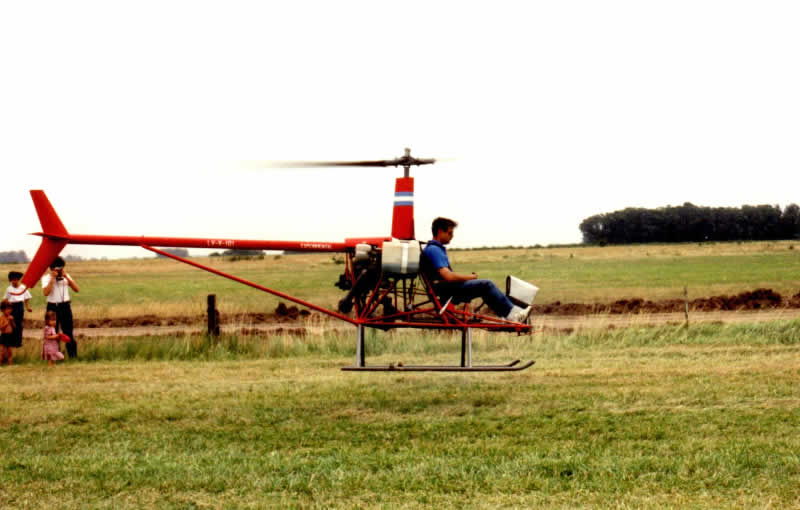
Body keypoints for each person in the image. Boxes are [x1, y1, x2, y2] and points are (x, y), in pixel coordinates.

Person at [421, 217, 531, 323]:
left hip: (446, 288)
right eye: (450, 233)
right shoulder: (434, 250)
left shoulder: (433, 249)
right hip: (446, 290)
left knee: (485, 289)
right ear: (440, 232)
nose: (452, 236)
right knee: (487, 285)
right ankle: (513, 316)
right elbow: (448, 276)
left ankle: (509, 315)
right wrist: (470, 277)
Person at [41, 256, 80, 359]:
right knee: (52, 332)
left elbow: (77, 289)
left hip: (65, 305)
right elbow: (46, 292)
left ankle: (73, 356)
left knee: (68, 332)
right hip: (53, 306)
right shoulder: (46, 278)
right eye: (57, 269)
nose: (59, 271)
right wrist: (52, 279)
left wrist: (66, 277)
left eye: (61, 268)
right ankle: (53, 357)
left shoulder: (65, 277)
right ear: (51, 268)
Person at [4, 271, 33, 352]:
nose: (15, 281)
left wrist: (28, 307)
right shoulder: (9, 289)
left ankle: (18, 342)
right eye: (13, 280)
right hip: (11, 307)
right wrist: (5, 310)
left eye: (16, 280)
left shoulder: (23, 288)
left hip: (19, 307)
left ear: (19, 280)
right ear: (10, 281)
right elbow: (5, 299)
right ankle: (10, 342)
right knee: (10, 324)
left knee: (19, 324)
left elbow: (26, 298)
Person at [0, 299, 16, 365]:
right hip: (4, 336)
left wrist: (12, 321)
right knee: (2, 351)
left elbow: (14, 327)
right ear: (3, 310)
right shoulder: (2, 318)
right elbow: (1, 327)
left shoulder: (11, 317)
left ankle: (10, 364)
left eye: (10, 309)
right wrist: (7, 322)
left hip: (10, 336)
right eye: (7, 309)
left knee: (10, 351)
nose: (9, 311)